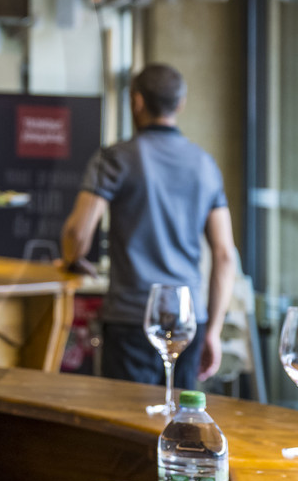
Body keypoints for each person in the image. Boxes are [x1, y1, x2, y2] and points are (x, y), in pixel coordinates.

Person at [60, 64, 236, 388]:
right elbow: (224, 255)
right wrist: (213, 329)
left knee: (129, 425)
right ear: (180, 104)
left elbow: (77, 233)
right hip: (187, 320)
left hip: (131, 319)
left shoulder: (115, 159)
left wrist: (72, 259)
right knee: (181, 426)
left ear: (136, 102)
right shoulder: (205, 165)